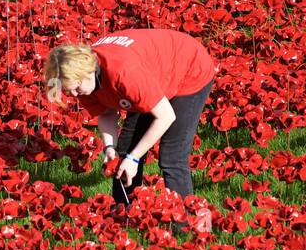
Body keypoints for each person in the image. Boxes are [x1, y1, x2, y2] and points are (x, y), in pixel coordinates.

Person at [43, 29, 217, 225]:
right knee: (122, 153)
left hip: (188, 68)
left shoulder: (123, 72)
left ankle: (187, 225)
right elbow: (106, 111)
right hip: (151, 73)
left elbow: (166, 116)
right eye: (69, 90)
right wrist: (110, 147)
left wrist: (134, 158)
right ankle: (124, 217)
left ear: (88, 71)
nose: (74, 95)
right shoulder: (86, 80)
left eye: (76, 87)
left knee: (172, 156)